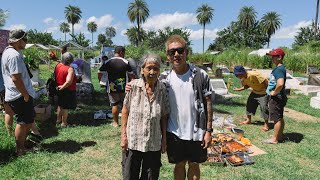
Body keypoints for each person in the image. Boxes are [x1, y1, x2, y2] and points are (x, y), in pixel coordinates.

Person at [160, 35, 212, 180]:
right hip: (174, 132)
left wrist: (208, 131)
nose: (176, 54)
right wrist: (130, 86)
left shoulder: (200, 75)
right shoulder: (164, 78)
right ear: (168, 56)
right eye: (172, 52)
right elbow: (146, 84)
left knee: (194, 164)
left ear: (186, 52)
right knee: (179, 164)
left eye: (180, 50)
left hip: (197, 132)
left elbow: (208, 103)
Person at [121, 53, 170, 180]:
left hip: (153, 142)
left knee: (150, 176)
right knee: (130, 175)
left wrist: (164, 139)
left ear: (159, 71)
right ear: (142, 70)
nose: (152, 72)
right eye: (149, 68)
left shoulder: (162, 89)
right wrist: (123, 137)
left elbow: (164, 116)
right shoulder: (133, 87)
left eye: (156, 68)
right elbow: (125, 111)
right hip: (133, 141)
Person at [1, 29, 36, 155]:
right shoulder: (14, 55)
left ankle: (22, 144)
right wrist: (25, 94)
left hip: (16, 93)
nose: (26, 42)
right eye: (25, 39)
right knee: (22, 121)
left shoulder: (8, 52)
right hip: (19, 94)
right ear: (18, 40)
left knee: (27, 120)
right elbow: (16, 78)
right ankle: (20, 149)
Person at [104, 46, 135, 127]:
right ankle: (126, 123)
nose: (124, 55)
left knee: (114, 104)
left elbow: (99, 72)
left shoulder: (107, 62)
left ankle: (116, 123)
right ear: (121, 52)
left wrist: (102, 81)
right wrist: (133, 81)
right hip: (123, 86)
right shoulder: (125, 62)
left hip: (111, 86)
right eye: (124, 53)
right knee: (125, 104)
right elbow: (131, 74)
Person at [233, 65, 270, 131]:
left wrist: (268, 92)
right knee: (249, 104)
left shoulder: (254, 74)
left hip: (263, 92)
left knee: (264, 107)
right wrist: (239, 89)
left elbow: (265, 81)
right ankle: (248, 120)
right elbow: (247, 85)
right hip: (255, 92)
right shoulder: (243, 78)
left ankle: (266, 124)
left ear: (243, 72)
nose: (237, 77)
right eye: (236, 75)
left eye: (238, 75)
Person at [263, 48, 287, 144]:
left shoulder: (279, 70)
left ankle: (274, 139)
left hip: (276, 98)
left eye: (273, 56)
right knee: (279, 117)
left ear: (279, 57)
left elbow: (280, 84)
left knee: (276, 118)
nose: (272, 58)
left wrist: (274, 92)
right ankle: (279, 136)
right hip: (280, 97)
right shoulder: (280, 68)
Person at [55, 52, 77, 128]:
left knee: (60, 105)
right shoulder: (70, 69)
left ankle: (58, 120)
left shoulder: (58, 66)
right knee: (66, 107)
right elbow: (68, 81)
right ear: (71, 60)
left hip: (59, 88)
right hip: (67, 90)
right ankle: (64, 123)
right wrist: (63, 87)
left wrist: (60, 87)